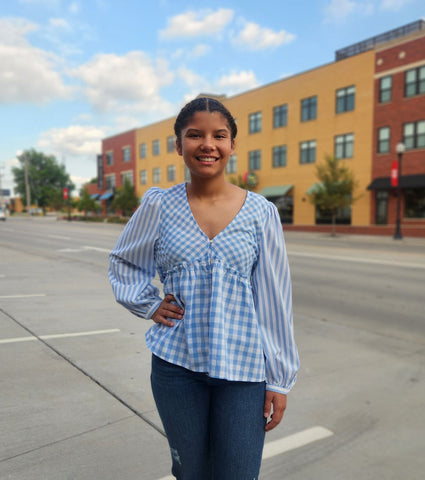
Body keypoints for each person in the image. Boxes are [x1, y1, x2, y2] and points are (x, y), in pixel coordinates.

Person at [109, 97, 299, 480]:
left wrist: (279, 378)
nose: (207, 144)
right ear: (179, 145)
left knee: (238, 473)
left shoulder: (261, 212)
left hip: (244, 372)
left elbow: (274, 299)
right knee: (190, 472)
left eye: (219, 135)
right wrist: (148, 303)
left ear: (232, 145)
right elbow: (124, 262)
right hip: (176, 367)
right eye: (194, 135)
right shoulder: (159, 205)